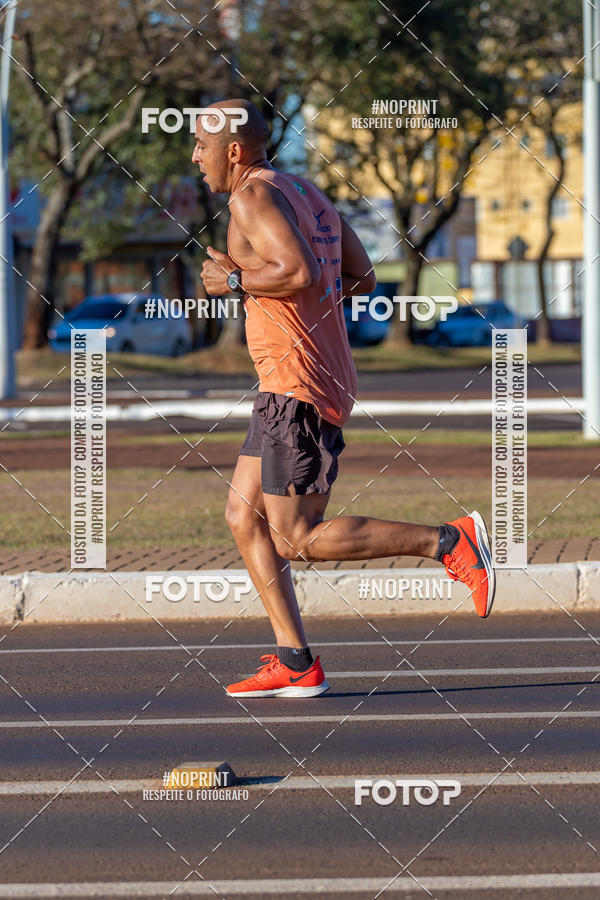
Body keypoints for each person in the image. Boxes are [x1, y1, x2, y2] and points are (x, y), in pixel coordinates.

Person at [195, 99, 495, 699]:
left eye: (202, 146)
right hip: (295, 379)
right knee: (243, 517)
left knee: (296, 536)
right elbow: (360, 276)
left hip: (297, 383)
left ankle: (448, 541)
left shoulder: (250, 198)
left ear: (234, 150)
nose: (196, 158)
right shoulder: (303, 191)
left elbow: (299, 273)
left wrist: (233, 280)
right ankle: (296, 661)